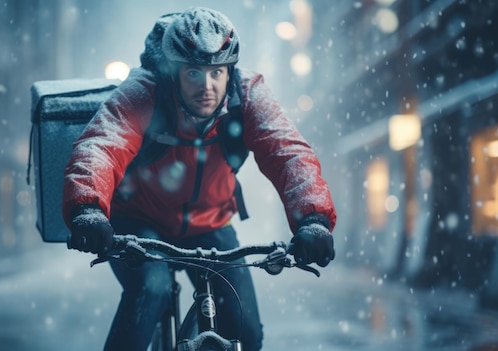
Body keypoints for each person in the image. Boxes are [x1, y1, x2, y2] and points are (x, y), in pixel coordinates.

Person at [63, 7, 336, 351]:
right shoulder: (146, 89)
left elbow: (288, 152)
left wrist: (312, 219)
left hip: (211, 223)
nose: (207, 86)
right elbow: (102, 145)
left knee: (246, 334)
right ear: (174, 71)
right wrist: (88, 209)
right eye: (194, 72)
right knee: (152, 289)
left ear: (229, 71)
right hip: (138, 222)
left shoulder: (248, 93)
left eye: (216, 72)